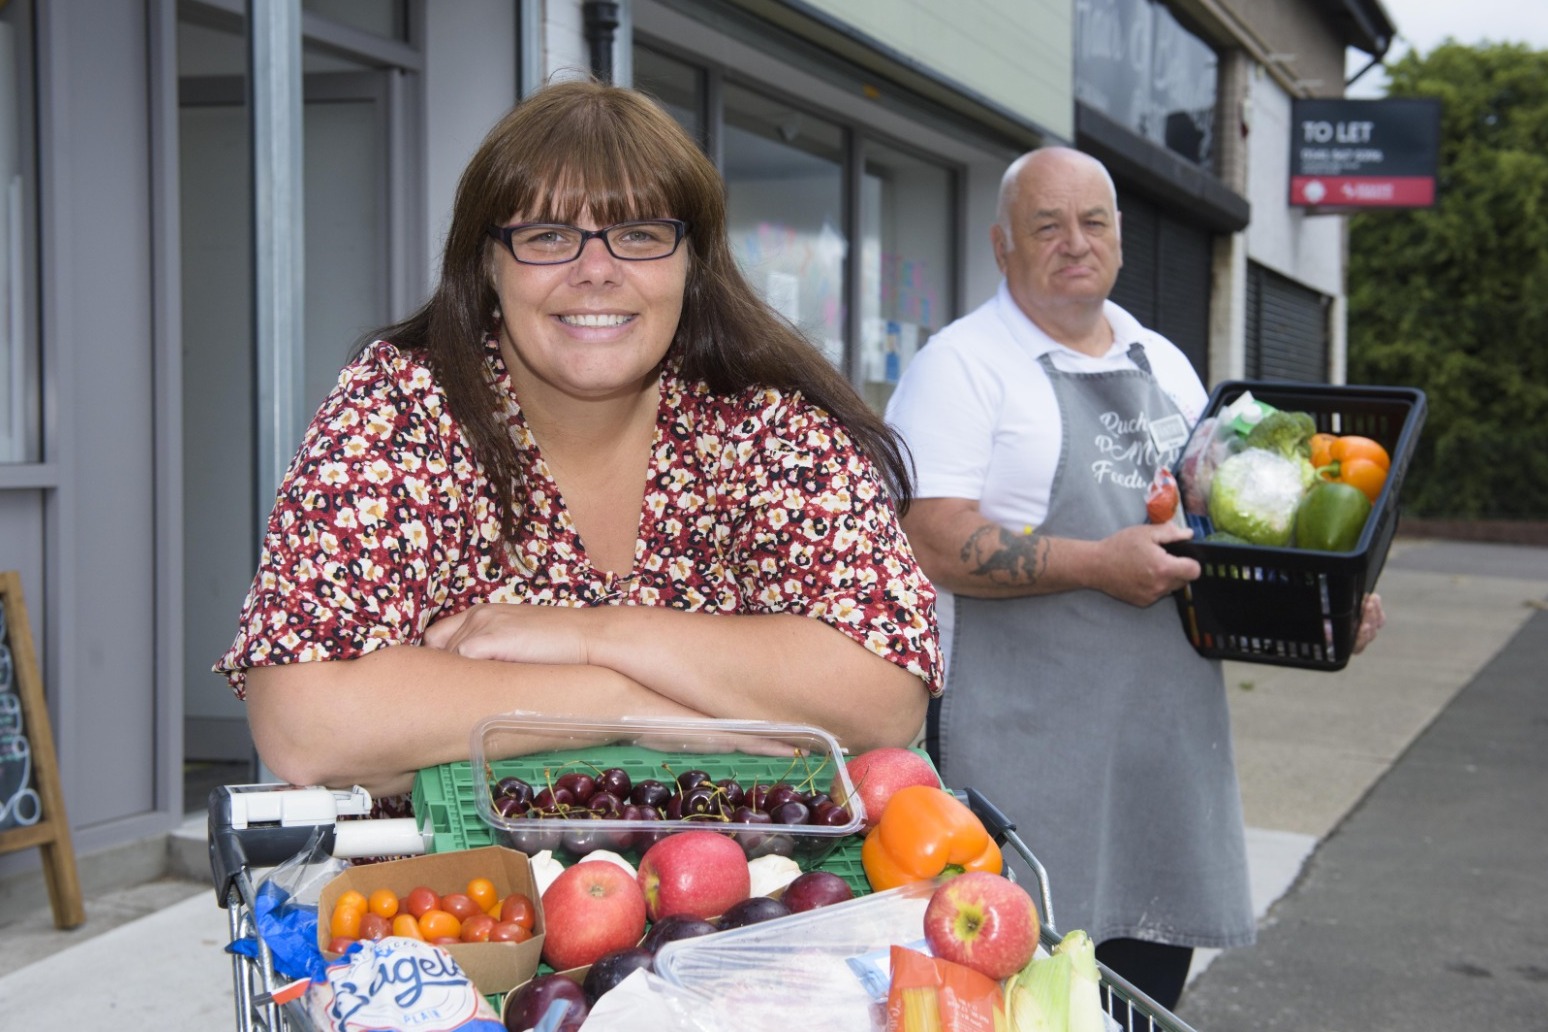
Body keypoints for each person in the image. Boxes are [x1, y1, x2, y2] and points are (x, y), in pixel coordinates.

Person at [216, 80, 941, 815]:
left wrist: (586, 635)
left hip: (747, 898)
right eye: (548, 236)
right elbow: (304, 721)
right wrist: (629, 706)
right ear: (488, 266)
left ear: (692, 263)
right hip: (454, 914)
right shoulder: (405, 410)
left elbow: (883, 697)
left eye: (639, 233)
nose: (596, 269)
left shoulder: (760, 425)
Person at [885, 146, 1383, 1008]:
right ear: (1003, 246)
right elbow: (928, 540)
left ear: (1119, 239)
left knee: (1148, 987)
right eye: (1047, 225)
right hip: (1022, 748)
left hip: (1162, 747)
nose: (1074, 242)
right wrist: (1096, 564)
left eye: (1094, 221)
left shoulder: (1167, 362)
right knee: (1025, 994)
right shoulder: (961, 366)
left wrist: (1322, 607)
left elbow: (1213, 534)